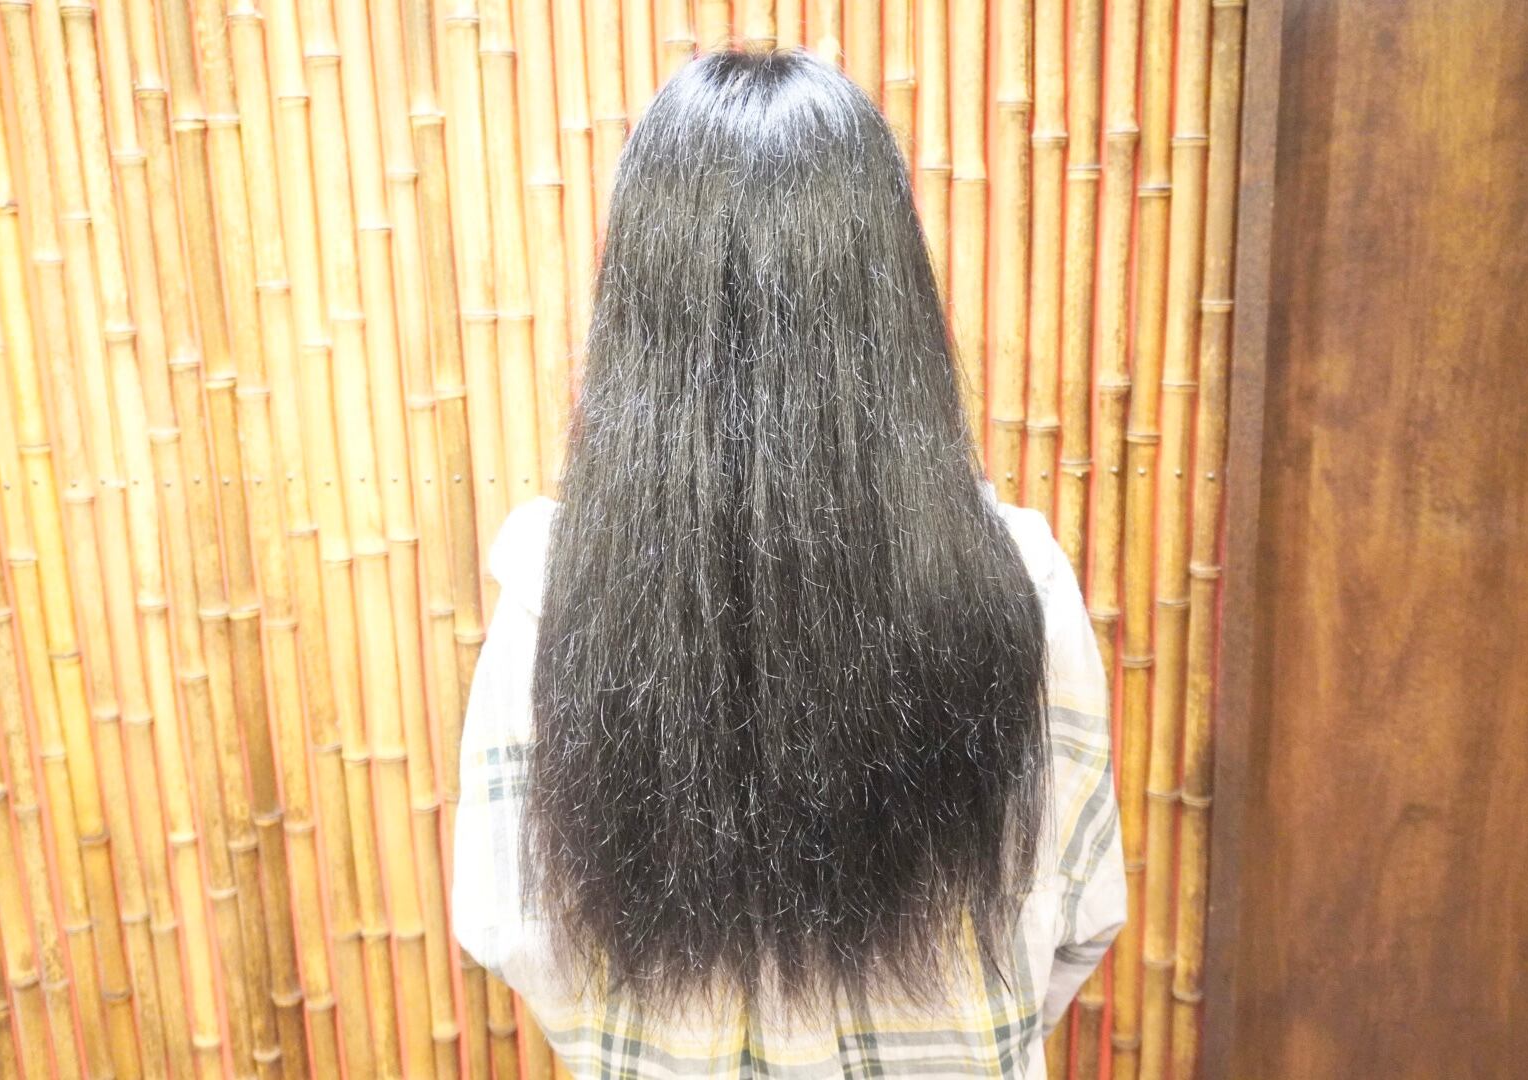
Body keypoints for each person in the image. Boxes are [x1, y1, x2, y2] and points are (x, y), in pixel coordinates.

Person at [452, 47, 1124, 1079]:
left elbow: (507, 921)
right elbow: (1081, 911)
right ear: (890, 292)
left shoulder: (554, 593)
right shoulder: (1018, 581)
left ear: (640, 299)